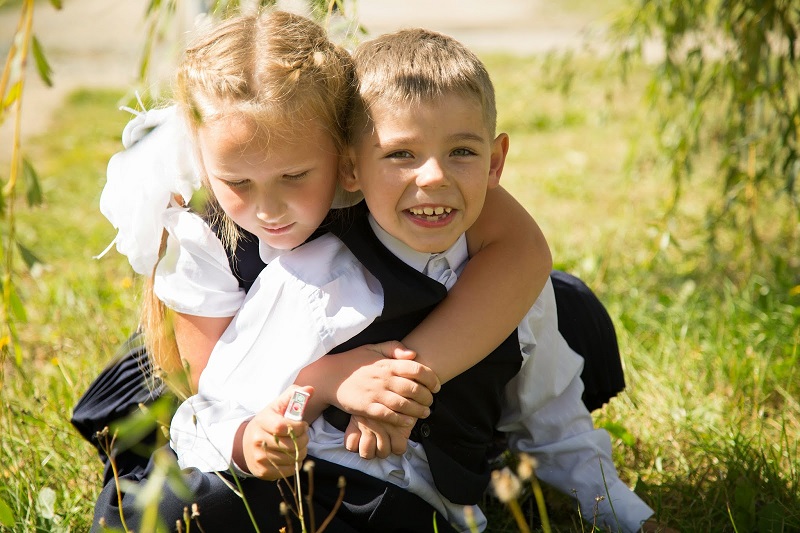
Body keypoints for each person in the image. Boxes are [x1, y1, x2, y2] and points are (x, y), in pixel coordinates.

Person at [155, 24, 669, 533]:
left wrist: (627, 518)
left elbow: (555, 420)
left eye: (462, 153)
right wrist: (306, 398)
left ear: (495, 162)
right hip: (321, 485)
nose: (434, 177)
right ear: (352, 170)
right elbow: (219, 403)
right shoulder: (321, 280)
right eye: (401, 155)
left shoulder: (511, 281)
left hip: (429, 505)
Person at [75, 9, 565, 532]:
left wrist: (392, 390)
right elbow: (223, 389)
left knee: (549, 319)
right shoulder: (200, 235)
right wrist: (330, 380)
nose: (269, 209)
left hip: (430, 329)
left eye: (295, 175)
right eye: (238, 183)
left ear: (344, 151)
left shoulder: (398, 164)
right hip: (260, 382)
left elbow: (522, 251)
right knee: (180, 506)